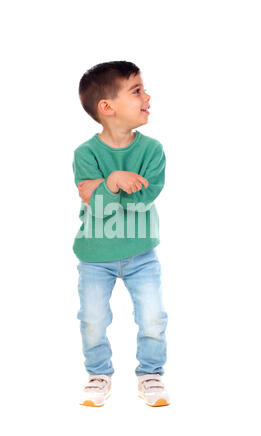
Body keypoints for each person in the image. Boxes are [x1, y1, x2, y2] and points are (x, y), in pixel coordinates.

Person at [72, 61, 170, 407]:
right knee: (93, 319)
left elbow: (144, 197)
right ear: (107, 107)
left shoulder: (151, 150)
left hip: (142, 254)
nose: (147, 95)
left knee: (153, 316)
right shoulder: (85, 153)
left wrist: (103, 187)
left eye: (143, 88)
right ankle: (98, 374)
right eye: (136, 90)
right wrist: (113, 183)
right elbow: (92, 202)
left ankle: (151, 374)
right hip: (94, 257)